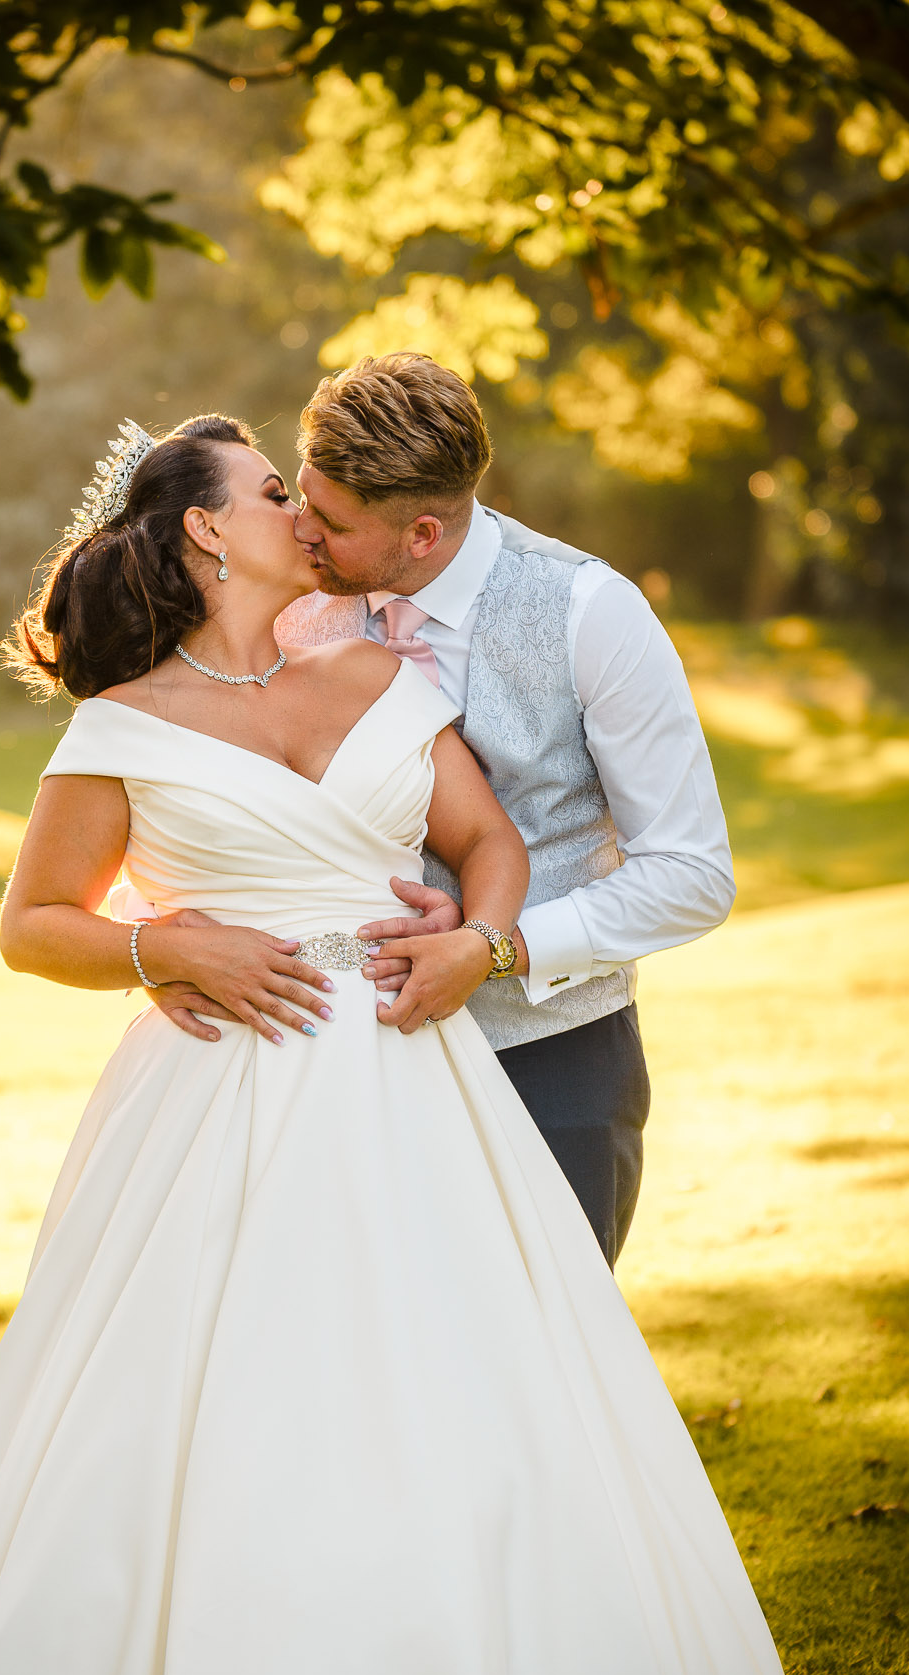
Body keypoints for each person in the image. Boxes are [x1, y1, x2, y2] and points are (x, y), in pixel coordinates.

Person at [0, 412, 868, 1675]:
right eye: (272, 492)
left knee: (470, 1407)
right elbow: (34, 923)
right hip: (222, 1098)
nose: (302, 506)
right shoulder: (119, 728)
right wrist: (166, 942)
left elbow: (484, 842)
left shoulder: (375, 673)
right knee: (231, 1422)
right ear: (209, 533)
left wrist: (468, 943)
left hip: (415, 1080)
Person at [150, 354, 735, 1267]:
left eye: (331, 521)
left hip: (550, 1064)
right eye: (299, 496)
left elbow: (693, 876)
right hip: (339, 1067)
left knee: (547, 1365)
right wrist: (174, 941)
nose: (300, 529)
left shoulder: (591, 613)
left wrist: (497, 949)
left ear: (421, 533)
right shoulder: (294, 608)